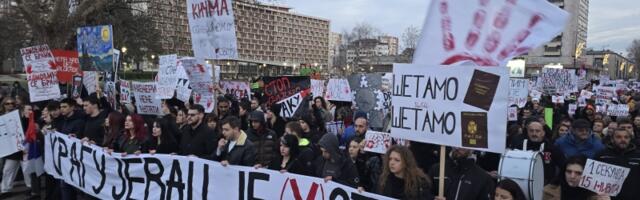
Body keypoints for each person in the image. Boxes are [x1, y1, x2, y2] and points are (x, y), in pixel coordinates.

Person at [510, 120, 565, 184]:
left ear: (543, 133)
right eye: (531, 131)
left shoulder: (550, 148)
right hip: (523, 182)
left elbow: (564, 165)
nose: (534, 134)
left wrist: (555, 183)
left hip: (545, 184)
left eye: (537, 131)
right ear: (527, 132)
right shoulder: (519, 146)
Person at [429, 147, 494, 200]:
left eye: (464, 145)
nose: (459, 147)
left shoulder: (482, 177)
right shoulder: (437, 168)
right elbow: (424, 194)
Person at [595, 128, 640, 199]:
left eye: (626, 137)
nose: (623, 140)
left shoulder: (638, 155)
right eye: (619, 137)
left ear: (630, 139)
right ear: (612, 139)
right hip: (608, 197)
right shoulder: (602, 155)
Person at [542, 156, 607, 200]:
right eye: (569, 171)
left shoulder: (596, 196)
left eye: (578, 173)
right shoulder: (548, 192)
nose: (572, 176)